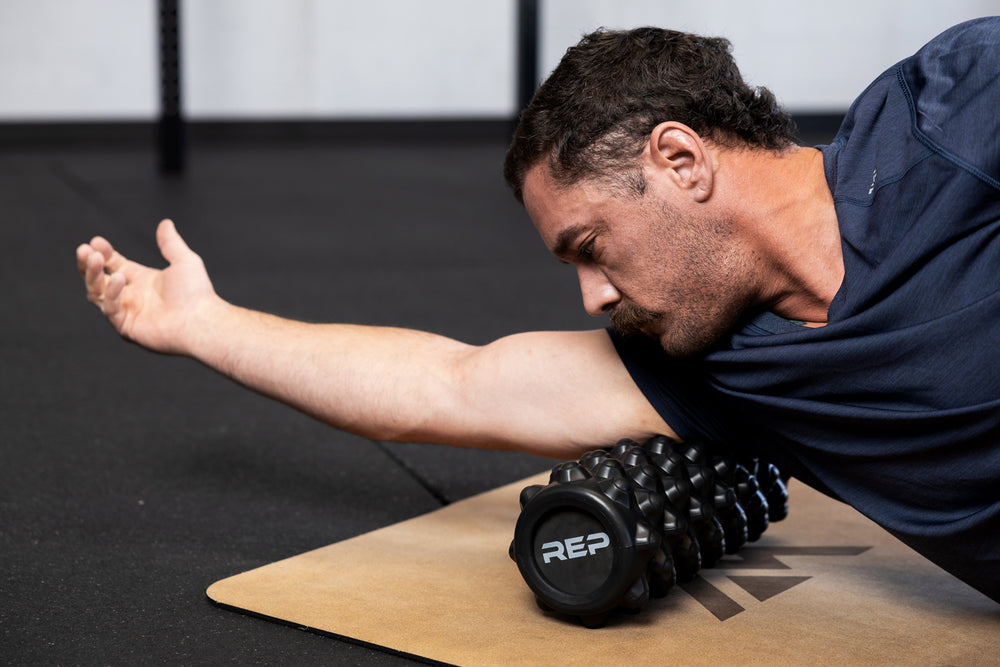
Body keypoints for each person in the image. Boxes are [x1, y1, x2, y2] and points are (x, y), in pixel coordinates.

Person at [78, 19, 999, 602]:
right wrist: (203, 323)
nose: (595, 297)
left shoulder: (954, 113)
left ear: (681, 161)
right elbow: (447, 385)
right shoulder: (716, 364)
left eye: (591, 248)